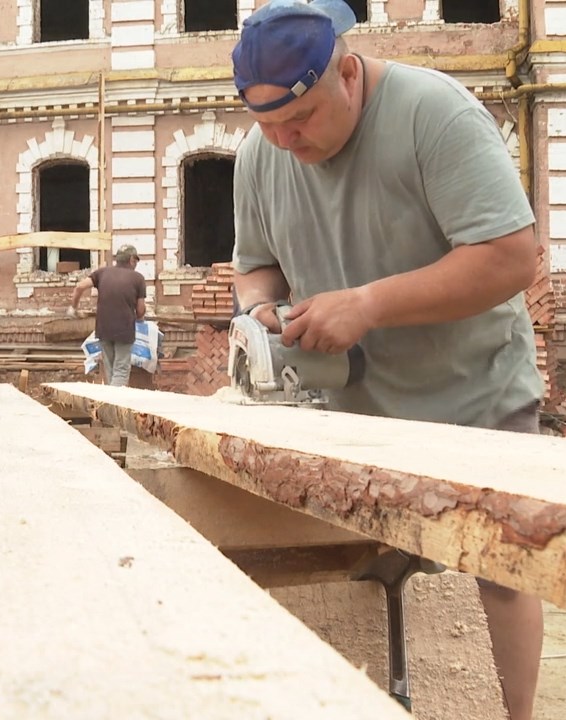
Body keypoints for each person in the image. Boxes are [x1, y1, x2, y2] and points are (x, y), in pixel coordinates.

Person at [229, 1, 544, 718]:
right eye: (266, 124)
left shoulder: (436, 115)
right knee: (364, 565)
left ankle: (520, 715)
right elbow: (255, 268)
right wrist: (260, 312)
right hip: (353, 410)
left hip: (475, 395)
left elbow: (510, 258)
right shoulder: (260, 153)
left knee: (502, 571)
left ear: (347, 73)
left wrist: (366, 305)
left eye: (299, 119)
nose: (283, 140)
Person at [69, 245, 147, 387]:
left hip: (103, 329)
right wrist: (140, 318)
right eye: (136, 261)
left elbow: (79, 287)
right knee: (121, 369)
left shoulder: (102, 273)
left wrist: (73, 308)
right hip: (124, 329)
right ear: (131, 260)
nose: (136, 264)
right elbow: (140, 310)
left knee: (110, 368)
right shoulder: (138, 278)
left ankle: (108, 404)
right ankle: (115, 403)